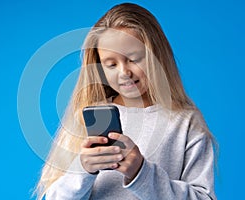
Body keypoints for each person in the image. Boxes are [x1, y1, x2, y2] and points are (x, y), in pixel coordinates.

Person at [35, 3, 217, 200]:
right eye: (111, 64)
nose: (124, 73)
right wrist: (83, 169)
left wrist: (141, 172)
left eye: (134, 58)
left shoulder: (186, 122)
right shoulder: (88, 117)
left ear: (158, 56)